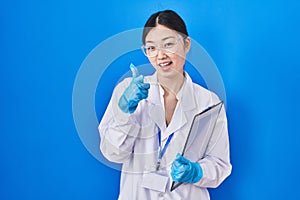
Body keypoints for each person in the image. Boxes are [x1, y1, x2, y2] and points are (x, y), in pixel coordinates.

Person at [98, 10, 232, 200]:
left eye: (168, 44)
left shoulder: (208, 102)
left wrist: (196, 172)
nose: (160, 55)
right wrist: (124, 112)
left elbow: (220, 163)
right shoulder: (128, 91)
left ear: (186, 44)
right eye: (151, 48)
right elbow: (113, 153)